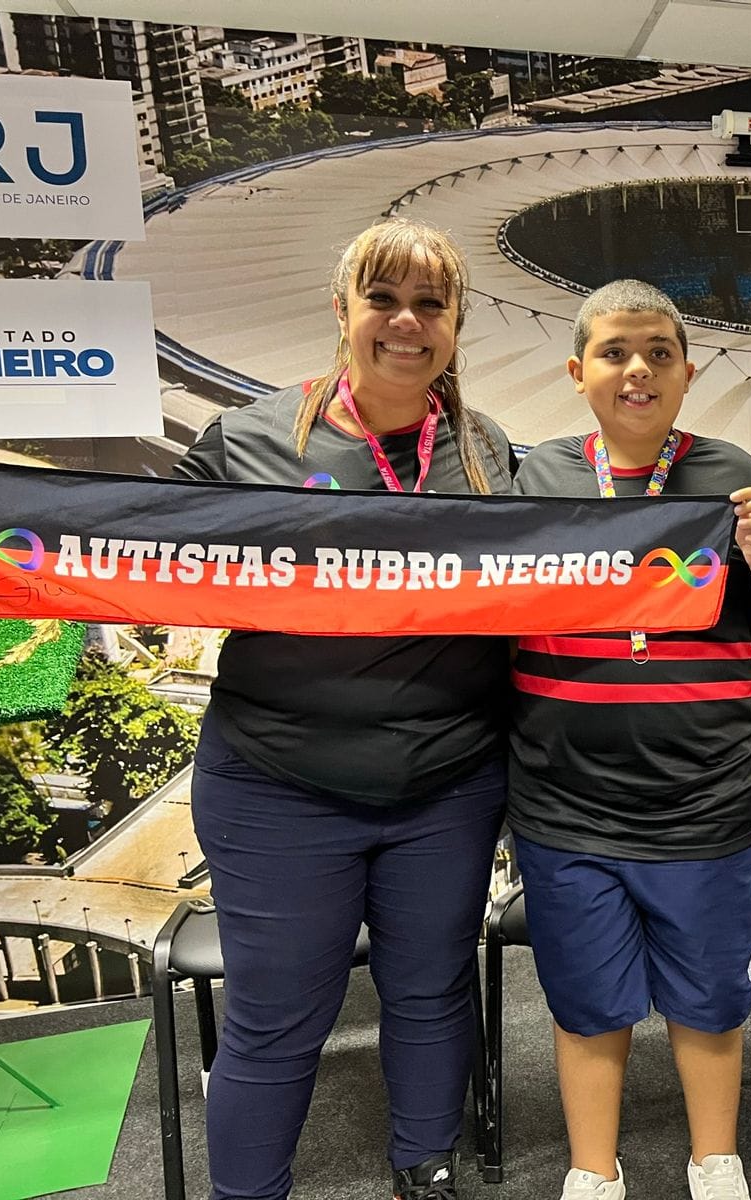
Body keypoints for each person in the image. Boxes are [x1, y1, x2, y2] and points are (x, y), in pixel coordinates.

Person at [173, 218, 515, 1200]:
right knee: (277, 1019)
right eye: (383, 299)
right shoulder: (248, 440)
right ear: (342, 310)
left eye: (430, 304)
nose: (406, 322)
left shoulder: (485, 449)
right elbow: (136, 544)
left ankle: (426, 1171)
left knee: (431, 993)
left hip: (446, 784)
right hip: (277, 784)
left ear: (454, 324)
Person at [506, 280, 751, 1200]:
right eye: (614, 352)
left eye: (658, 354)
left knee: (708, 1001)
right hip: (564, 802)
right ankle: (592, 1172)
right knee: (587, 1005)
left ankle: (716, 1164)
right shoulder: (537, 479)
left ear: (686, 373)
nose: (637, 369)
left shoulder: (735, 475)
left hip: (703, 798)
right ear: (578, 372)